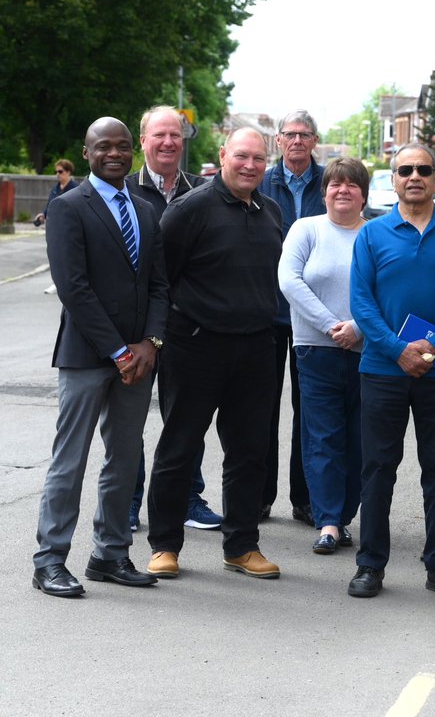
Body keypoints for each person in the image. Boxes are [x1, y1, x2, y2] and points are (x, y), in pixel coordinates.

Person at [32, 117, 166, 596]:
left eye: (123, 147)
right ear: (86, 153)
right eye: (103, 147)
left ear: (133, 152)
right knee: (70, 461)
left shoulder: (147, 211)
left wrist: (150, 342)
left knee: (125, 460)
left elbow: (158, 285)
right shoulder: (69, 207)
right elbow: (74, 288)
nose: (114, 153)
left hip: (137, 360)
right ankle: (49, 560)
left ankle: (110, 555)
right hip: (89, 356)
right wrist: (117, 351)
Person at [146, 127, 284, 581]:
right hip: (195, 348)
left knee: (249, 453)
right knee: (180, 447)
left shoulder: (272, 212)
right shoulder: (189, 209)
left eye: (259, 159)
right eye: (242, 156)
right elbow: (161, 279)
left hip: (256, 350)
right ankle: (165, 545)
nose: (250, 166)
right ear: (223, 155)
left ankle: (241, 546)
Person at [348, 143, 435, 599]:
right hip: (383, 370)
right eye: (405, 169)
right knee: (378, 467)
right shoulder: (372, 234)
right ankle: (370, 566)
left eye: (424, 169)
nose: (415, 176)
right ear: (393, 179)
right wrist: (397, 348)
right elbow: (361, 302)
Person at [126, 106, 219, 533]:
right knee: (128, 416)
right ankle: (127, 499)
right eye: (159, 135)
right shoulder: (123, 189)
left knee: (186, 418)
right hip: (136, 326)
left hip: (189, 326)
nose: (168, 142)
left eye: (176, 135)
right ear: (143, 141)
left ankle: (188, 497)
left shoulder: (204, 190)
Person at [278, 157, 370, 555]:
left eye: (351, 184)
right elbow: (289, 280)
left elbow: (389, 290)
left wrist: (359, 328)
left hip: (369, 352)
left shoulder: (376, 234)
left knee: (359, 439)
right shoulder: (306, 229)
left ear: (364, 193)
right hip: (315, 350)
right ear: (324, 190)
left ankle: (346, 514)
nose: (342, 190)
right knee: (322, 438)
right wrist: (334, 325)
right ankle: (328, 521)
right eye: (335, 184)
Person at [257, 110, 323, 525]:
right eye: (290, 134)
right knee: (260, 407)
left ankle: (306, 498)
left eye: (305, 134)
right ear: (278, 141)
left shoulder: (330, 182)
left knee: (311, 409)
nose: (297, 141)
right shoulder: (261, 182)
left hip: (315, 314)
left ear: (315, 141)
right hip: (266, 311)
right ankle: (260, 496)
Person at [33, 159, 77, 227]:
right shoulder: (54, 189)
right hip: (54, 226)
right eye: (56, 172)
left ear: (68, 172)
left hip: (69, 226)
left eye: (60, 171)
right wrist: (43, 215)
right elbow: (50, 206)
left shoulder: (75, 189)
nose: (57, 174)